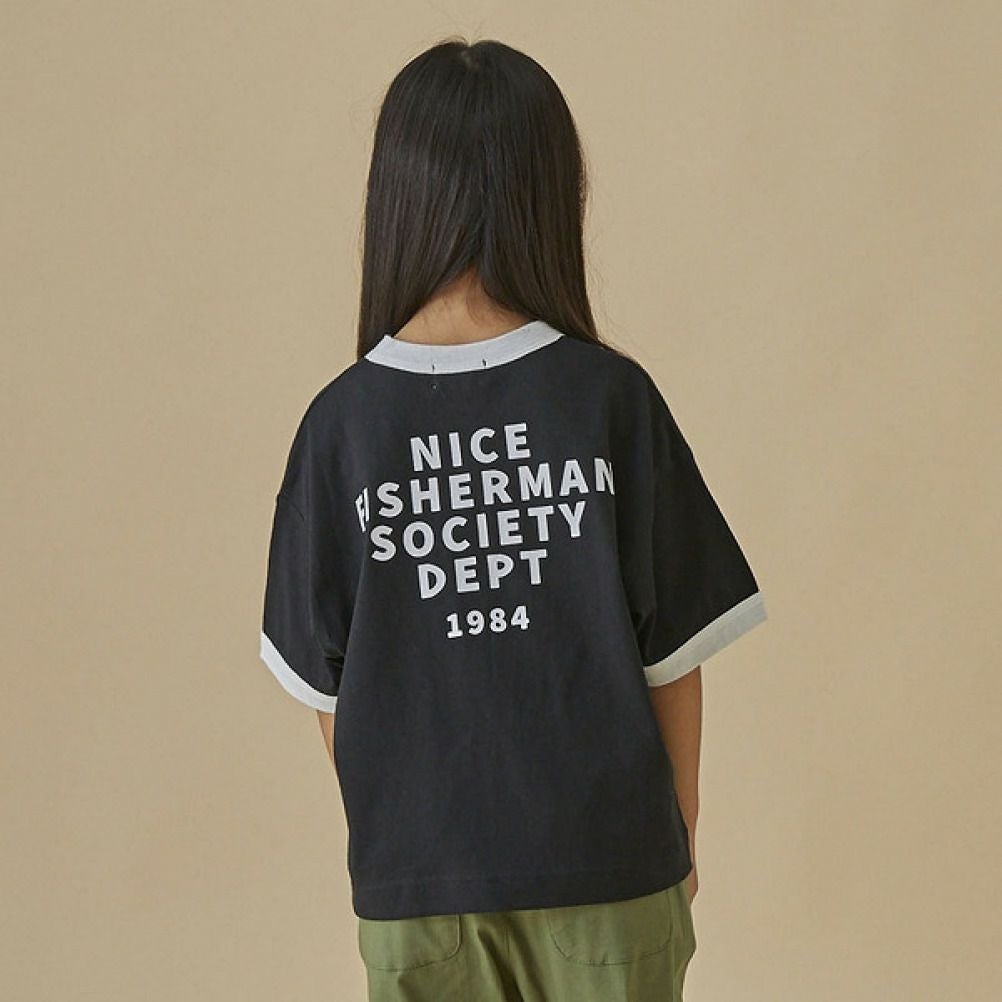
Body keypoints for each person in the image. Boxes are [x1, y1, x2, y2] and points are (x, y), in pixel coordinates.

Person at [259, 36, 767, 1002]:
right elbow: (672, 656)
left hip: (418, 890)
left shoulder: (340, 426)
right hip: (611, 867)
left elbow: (329, 692)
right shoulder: (608, 399)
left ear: (396, 197)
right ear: (550, 192)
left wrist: (410, 842)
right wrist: (679, 832)